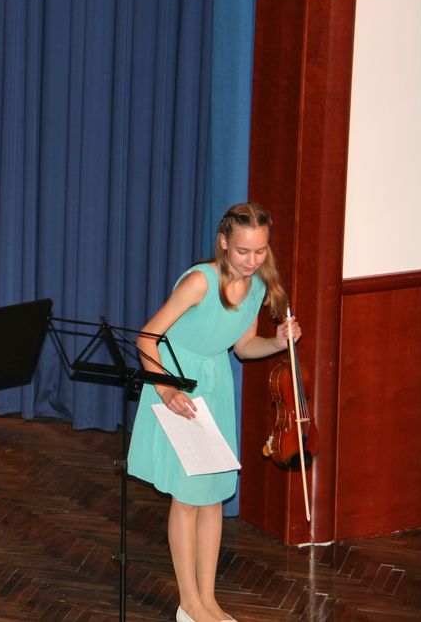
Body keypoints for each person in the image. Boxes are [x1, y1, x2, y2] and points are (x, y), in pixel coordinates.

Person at [127, 202, 301, 622]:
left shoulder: (257, 286)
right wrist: (166, 389)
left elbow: (243, 347)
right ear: (223, 243)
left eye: (260, 251)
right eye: (243, 251)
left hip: (216, 387)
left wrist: (277, 343)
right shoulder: (199, 282)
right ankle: (188, 604)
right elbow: (146, 338)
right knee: (187, 498)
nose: (251, 260)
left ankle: (208, 601)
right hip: (177, 384)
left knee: (212, 498)